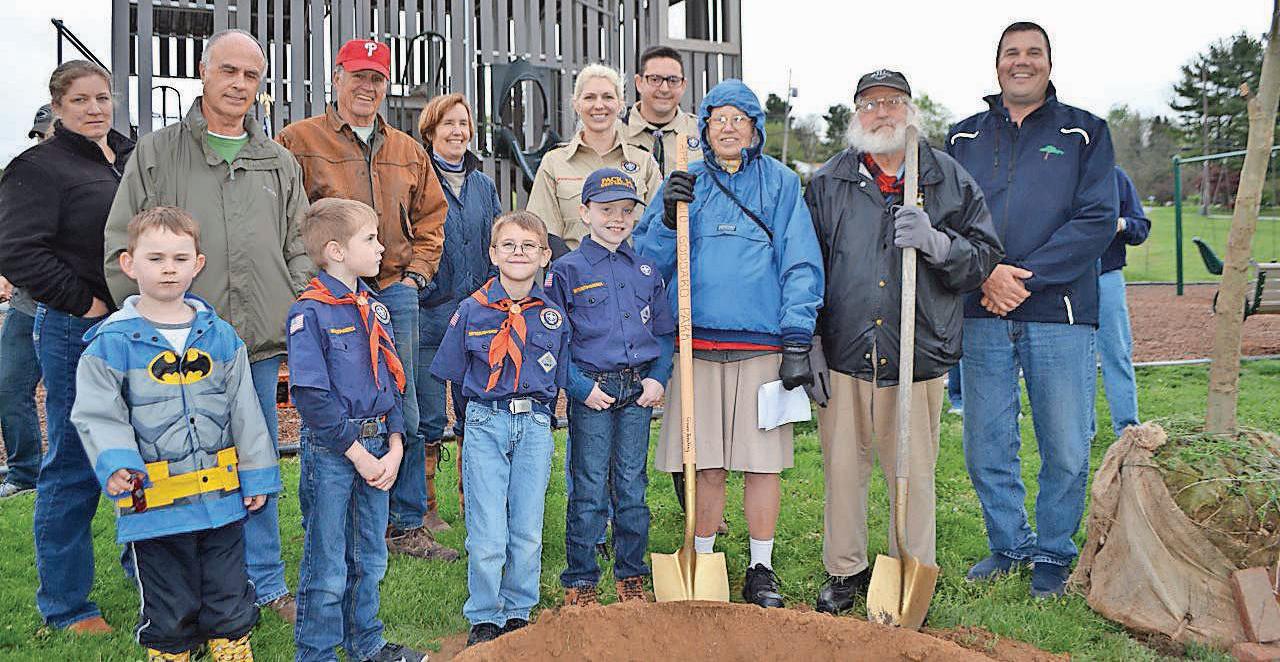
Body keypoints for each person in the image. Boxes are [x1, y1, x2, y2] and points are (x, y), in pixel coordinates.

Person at [104, 28, 311, 621]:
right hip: (171, 347)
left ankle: (265, 582)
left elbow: (298, 244)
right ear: (203, 72)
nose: (239, 84)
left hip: (256, 346)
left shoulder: (278, 161)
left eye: (251, 75)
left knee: (255, 459)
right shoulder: (158, 152)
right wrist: (145, 326)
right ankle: (158, 574)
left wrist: (296, 308)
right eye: (228, 71)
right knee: (166, 460)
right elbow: (122, 243)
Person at [804, 69, 1002, 614]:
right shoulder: (829, 182)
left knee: (911, 473)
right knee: (843, 470)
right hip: (845, 350)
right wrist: (811, 340)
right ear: (856, 115)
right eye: (870, 104)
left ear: (910, 110)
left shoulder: (946, 178)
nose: (881, 113)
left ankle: (910, 568)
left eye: (892, 102)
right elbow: (807, 266)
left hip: (917, 353)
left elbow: (984, 257)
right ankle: (845, 570)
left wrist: (938, 243)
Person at [634, 78, 824, 608]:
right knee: (706, 463)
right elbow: (647, 264)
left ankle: (761, 568)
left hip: (763, 347)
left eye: (739, 119)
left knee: (762, 463)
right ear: (704, 128)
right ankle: (702, 558)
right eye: (719, 119)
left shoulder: (782, 184)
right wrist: (666, 217)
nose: (729, 128)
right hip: (696, 345)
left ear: (756, 128)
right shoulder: (685, 182)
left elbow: (800, 261)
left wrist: (796, 338)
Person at [947, 21, 1118, 598]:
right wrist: (986, 273)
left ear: (1049, 62)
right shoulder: (962, 138)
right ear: (997, 64)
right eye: (1011, 53)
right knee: (986, 444)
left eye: (1033, 52)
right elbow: (946, 220)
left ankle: (1053, 549)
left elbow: (1096, 219)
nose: (1022, 61)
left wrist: (1025, 278)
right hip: (981, 308)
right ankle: (1009, 543)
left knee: (1065, 444)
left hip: (1060, 312)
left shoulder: (1085, 133)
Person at [71, 206, 280, 662]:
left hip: (222, 500)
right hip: (155, 506)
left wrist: (257, 474)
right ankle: (171, 652)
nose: (169, 268)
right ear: (129, 264)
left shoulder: (220, 336)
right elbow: (98, 412)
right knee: (169, 603)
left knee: (229, 589)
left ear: (198, 264)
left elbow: (246, 410)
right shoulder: (112, 342)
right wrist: (117, 461)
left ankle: (231, 646)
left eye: (180, 258)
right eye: (156, 258)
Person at [277, 39, 452, 561]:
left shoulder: (407, 150)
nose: (366, 87)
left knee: (403, 403)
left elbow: (432, 218)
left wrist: (416, 276)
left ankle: (406, 522)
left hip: (393, 289)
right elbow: (287, 218)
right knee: (334, 401)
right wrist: (310, 282)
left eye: (376, 78)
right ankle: (333, 516)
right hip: (331, 296)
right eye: (357, 76)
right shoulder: (298, 140)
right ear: (337, 77)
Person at [0, 60, 135, 634]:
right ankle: (67, 603)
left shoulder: (129, 157)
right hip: (76, 329)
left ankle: (150, 574)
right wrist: (84, 303)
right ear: (57, 107)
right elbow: (16, 250)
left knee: (143, 453)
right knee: (76, 460)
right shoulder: (38, 167)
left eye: (102, 97)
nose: (95, 108)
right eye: (80, 100)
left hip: (137, 326)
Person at [286, 198, 427, 662]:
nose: (382, 247)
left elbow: (391, 379)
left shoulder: (374, 307)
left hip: (379, 445)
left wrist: (395, 443)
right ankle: (317, 652)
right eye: (370, 239)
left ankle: (365, 643)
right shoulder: (310, 313)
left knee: (370, 554)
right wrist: (358, 453)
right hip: (335, 450)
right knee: (328, 559)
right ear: (336, 251)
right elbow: (311, 397)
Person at [429, 211, 570, 647]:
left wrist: (543, 417)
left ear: (544, 256)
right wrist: (469, 424)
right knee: (488, 532)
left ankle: (518, 610)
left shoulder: (553, 316)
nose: (518, 253)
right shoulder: (471, 310)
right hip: (485, 423)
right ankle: (485, 613)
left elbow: (559, 375)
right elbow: (455, 376)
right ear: (492, 254)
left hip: (534, 425)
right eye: (508, 245)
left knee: (526, 529)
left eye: (529, 246)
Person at [546, 168, 675, 606]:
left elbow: (663, 332)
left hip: (638, 391)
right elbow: (553, 341)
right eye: (606, 210)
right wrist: (579, 387)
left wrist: (658, 376)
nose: (617, 219)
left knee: (632, 486)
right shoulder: (566, 270)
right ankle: (581, 579)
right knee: (588, 486)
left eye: (625, 211)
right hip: (593, 392)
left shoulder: (646, 270)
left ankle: (631, 574)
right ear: (585, 213)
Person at [413, 93, 501, 535]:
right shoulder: (417, 178)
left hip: (477, 319)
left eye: (463, 123)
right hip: (430, 316)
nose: (457, 131)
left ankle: (473, 502)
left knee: (476, 414)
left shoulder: (484, 186)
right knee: (429, 416)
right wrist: (425, 288)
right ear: (430, 131)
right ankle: (426, 508)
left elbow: (497, 240)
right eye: (448, 123)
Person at [527, 64, 662, 255]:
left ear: (620, 104)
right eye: (589, 97)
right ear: (577, 104)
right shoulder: (554, 162)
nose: (599, 105)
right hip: (572, 271)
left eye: (608, 97)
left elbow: (657, 227)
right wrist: (576, 268)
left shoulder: (644, 162)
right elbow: (543, 231)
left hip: (632, 270)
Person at [0, 104, 55, 499]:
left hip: (75, 307)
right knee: (8, 384)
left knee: (78, 396)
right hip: (28, 302)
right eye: (39, 136)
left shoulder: (99, 174)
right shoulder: (25, 176)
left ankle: (88, 469)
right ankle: (25, 472)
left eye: (49, 133)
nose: (42, 141)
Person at [1097, 167, 1150, 437]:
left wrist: (1121, 224)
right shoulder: (1057, 174)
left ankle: (1128, 428)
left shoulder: (1116, 177)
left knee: (1116, 353)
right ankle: (1082, 430)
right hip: (1066, 280)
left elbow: (1140, 227)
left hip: (1107, 277)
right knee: (1072, 360)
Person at [621, 45, 702, 176]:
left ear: (683, 85)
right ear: (639, 83)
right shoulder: (615, 132)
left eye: (673, 80)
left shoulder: (702, 132)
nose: (664, 89)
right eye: (655, 79)